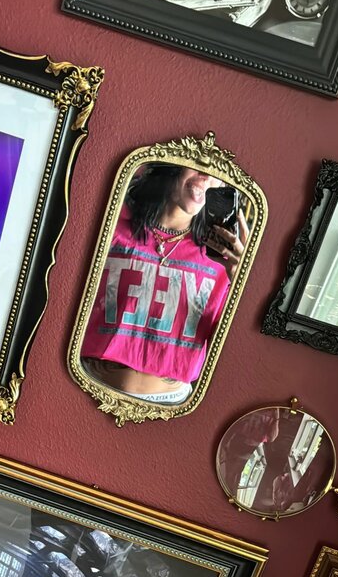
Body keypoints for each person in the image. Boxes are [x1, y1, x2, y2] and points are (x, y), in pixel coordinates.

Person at [81, 163, 249, 404]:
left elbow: (229, 346)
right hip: (89, 385)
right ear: (173, 164)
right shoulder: (114, 224)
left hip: (169, 406)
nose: (206, 176)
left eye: (218, 174)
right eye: (200, 165)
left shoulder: (222, 258)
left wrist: (242, 282)